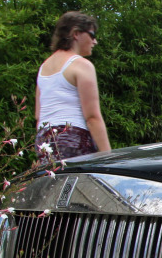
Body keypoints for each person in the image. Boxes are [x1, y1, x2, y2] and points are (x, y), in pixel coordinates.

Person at [34, 12, 110, 163]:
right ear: (75, 33)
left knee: (56, 184)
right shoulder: (81, 65)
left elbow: (38, 116)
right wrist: (109, 157)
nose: (95, 41)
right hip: (73, 138)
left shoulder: (44, 67)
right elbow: (92, 117)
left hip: (44, 140)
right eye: (92, 35)